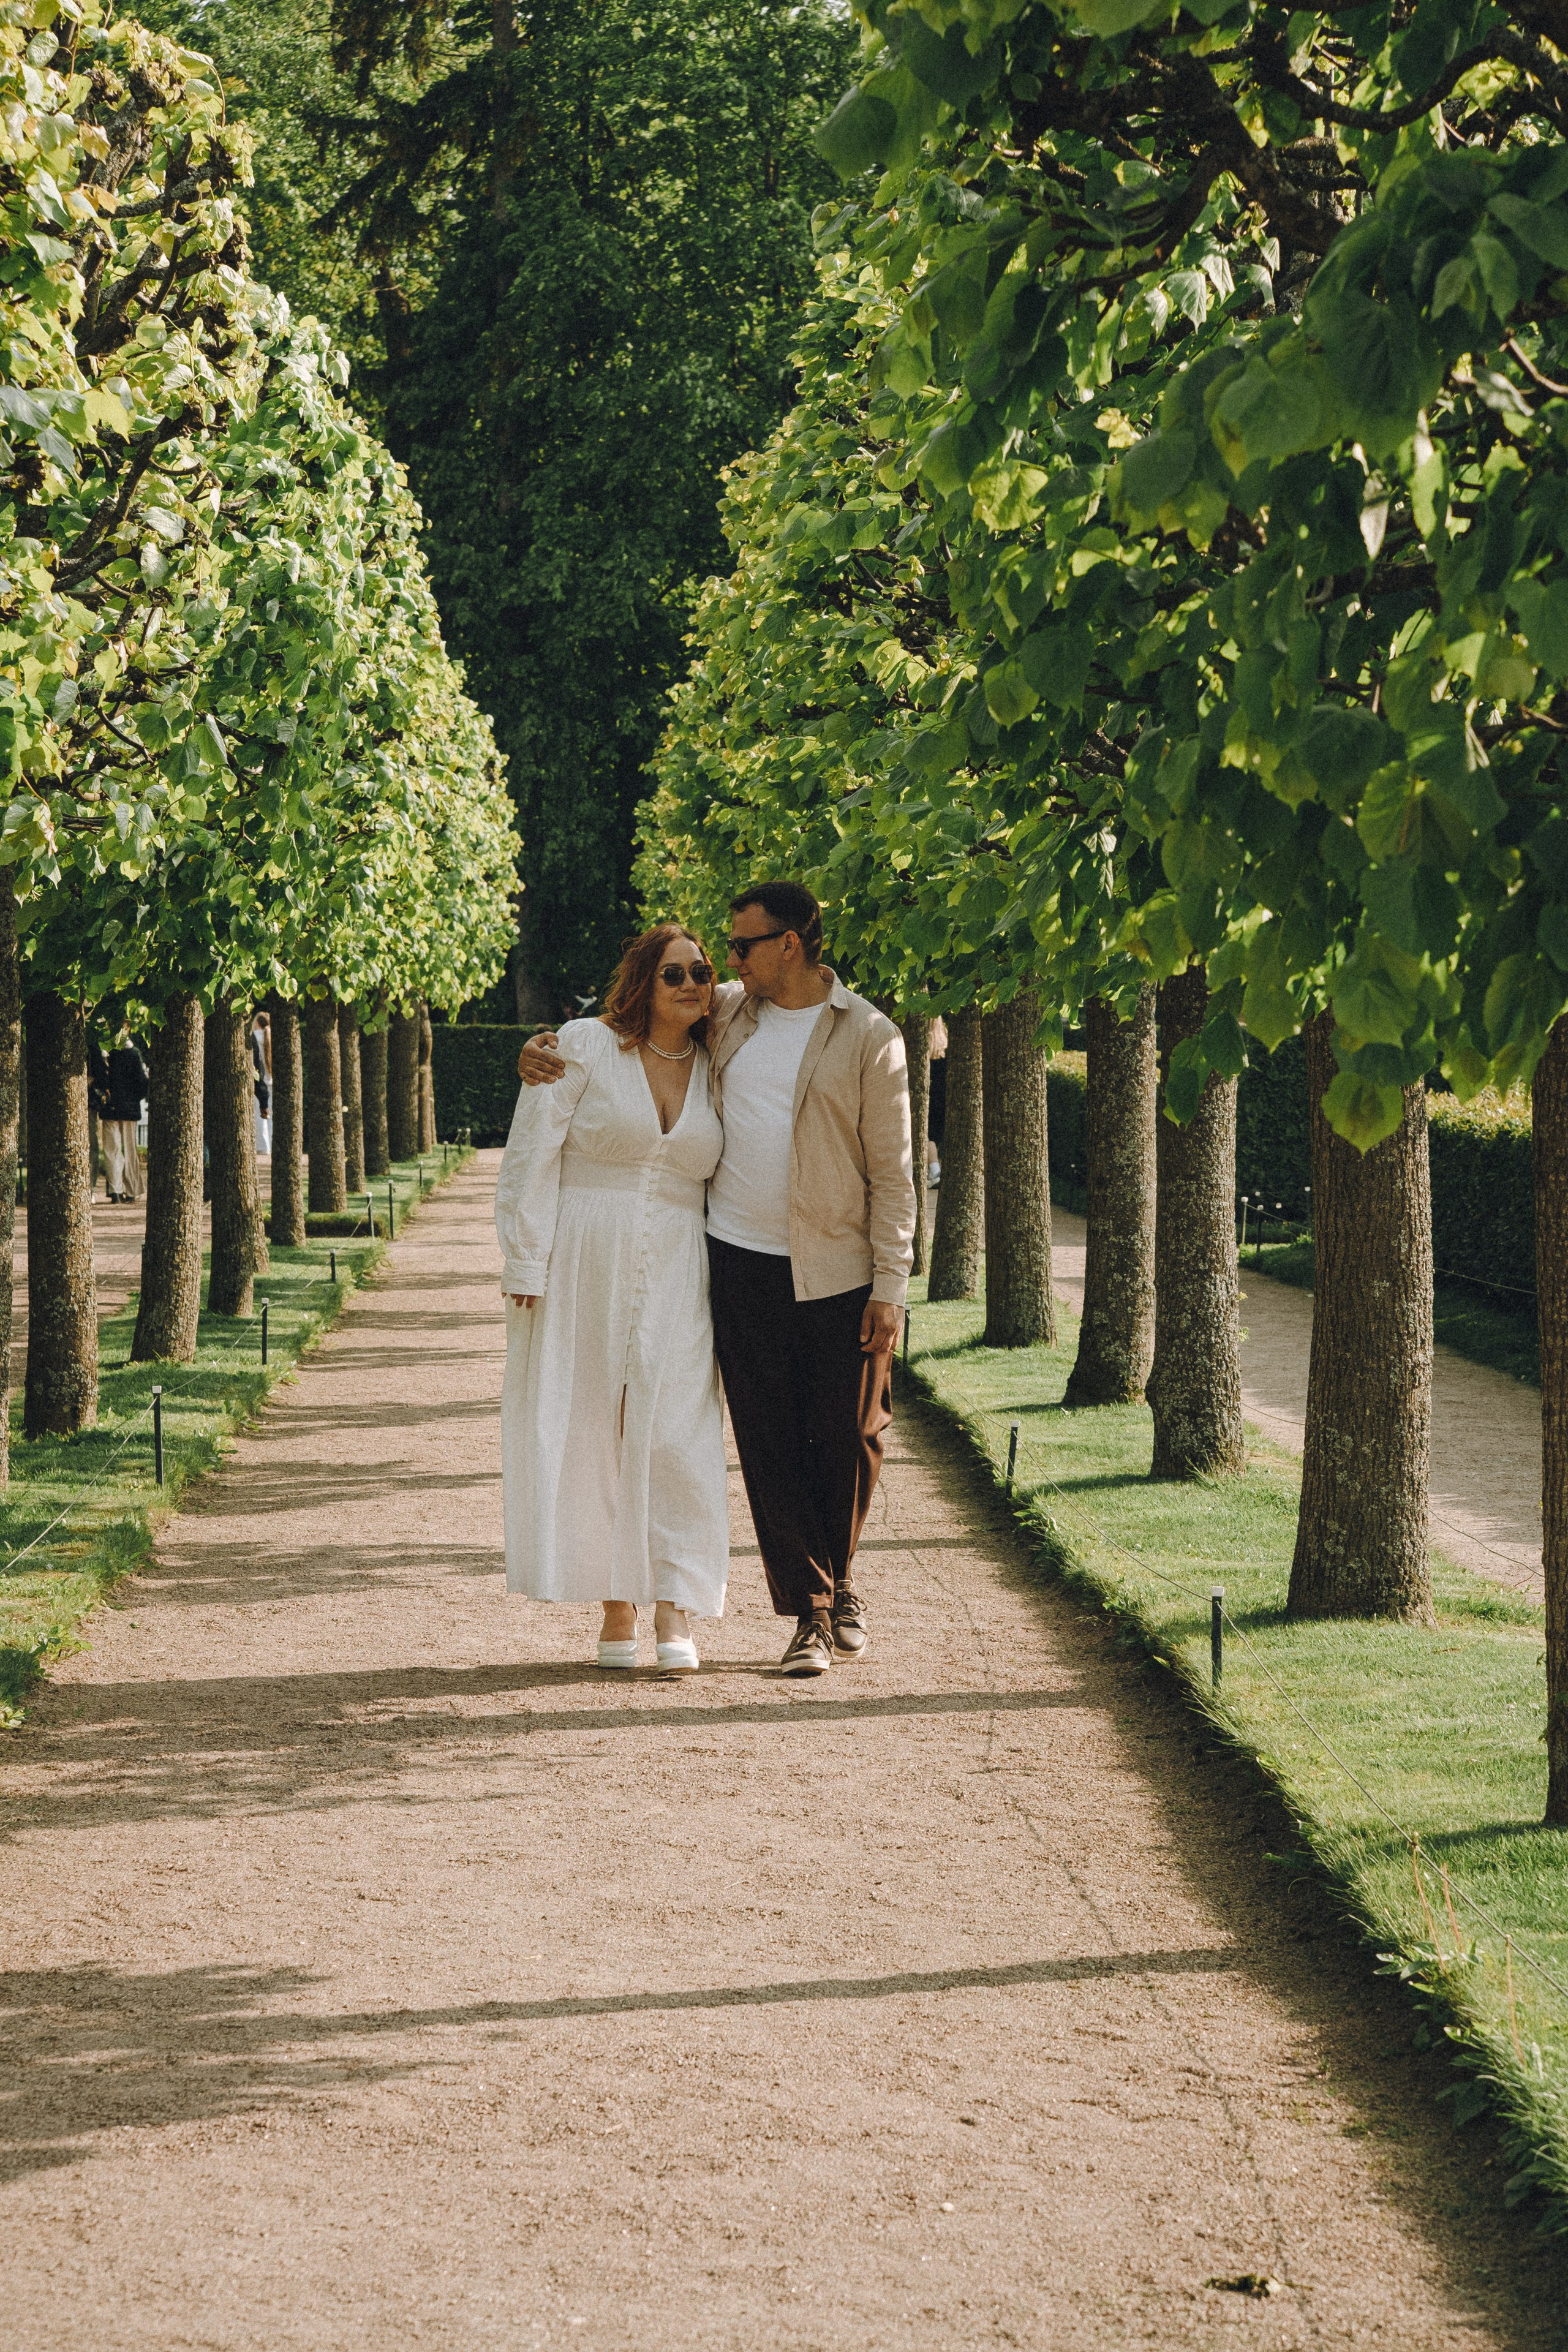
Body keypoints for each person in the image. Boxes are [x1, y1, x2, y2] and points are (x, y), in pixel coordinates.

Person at [519, 882, 916, 1678]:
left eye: (735, 950)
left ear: (789, 945)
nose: (718, 969)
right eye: (711, 958)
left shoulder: (871, 1035)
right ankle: (807, 1609)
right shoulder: (731, 1015)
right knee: (765, 1439)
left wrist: (892, 1282)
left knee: (851, 1436)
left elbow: (895, 1174)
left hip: (835, 1266)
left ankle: (839, 1582)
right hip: (734, 1259)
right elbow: (620, 1032)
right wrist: (534, 1050)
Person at [496, 924, 728, 1674]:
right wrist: (526, 1263)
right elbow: (532, 1151)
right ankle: (615, 1607)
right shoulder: (584, 1045)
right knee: (596, 1422)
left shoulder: (720, 1058)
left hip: (682, 1265)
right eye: (672, 974)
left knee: (678, 1428)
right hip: (582, 1256)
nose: (692, 983)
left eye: (701, 970)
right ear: (641, 981)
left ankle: (675, 1605)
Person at [99, 1028, 148, 1203]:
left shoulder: (106, 1054)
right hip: (129, 1108)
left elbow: (100, 1079)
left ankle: (116, 1191)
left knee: (112, 1151)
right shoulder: (134, 1054)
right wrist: (133, 1098)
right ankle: (132, 1188)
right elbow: (143, 1083)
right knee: (129, 1150)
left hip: (110, 1107)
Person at [251, 1010, 272, 1157]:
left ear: (257, 1023)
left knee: (260, 1117)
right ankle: (270, 1144)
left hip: (260, 1079)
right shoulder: (269, 1036)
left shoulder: (255, 1037)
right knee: (270, 1115)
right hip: (271, 1079)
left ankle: (263, 1146)